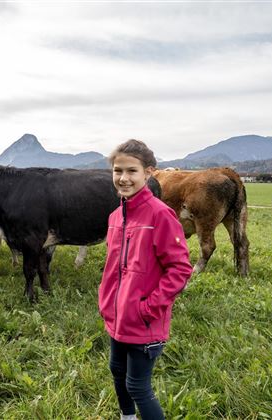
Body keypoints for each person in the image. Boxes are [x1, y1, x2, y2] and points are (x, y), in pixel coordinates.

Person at [98, 139, 192, 420]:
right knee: (117, 371)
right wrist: (107, 300)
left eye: (131, 171)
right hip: (117, 316)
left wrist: (148, 308)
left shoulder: (160, 215)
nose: (123, 178)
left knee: (138, 386)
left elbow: (180, 269)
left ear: (148, 172)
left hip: (144, 320)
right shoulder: (116, 216)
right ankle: (127, 418)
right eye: (118, 171)